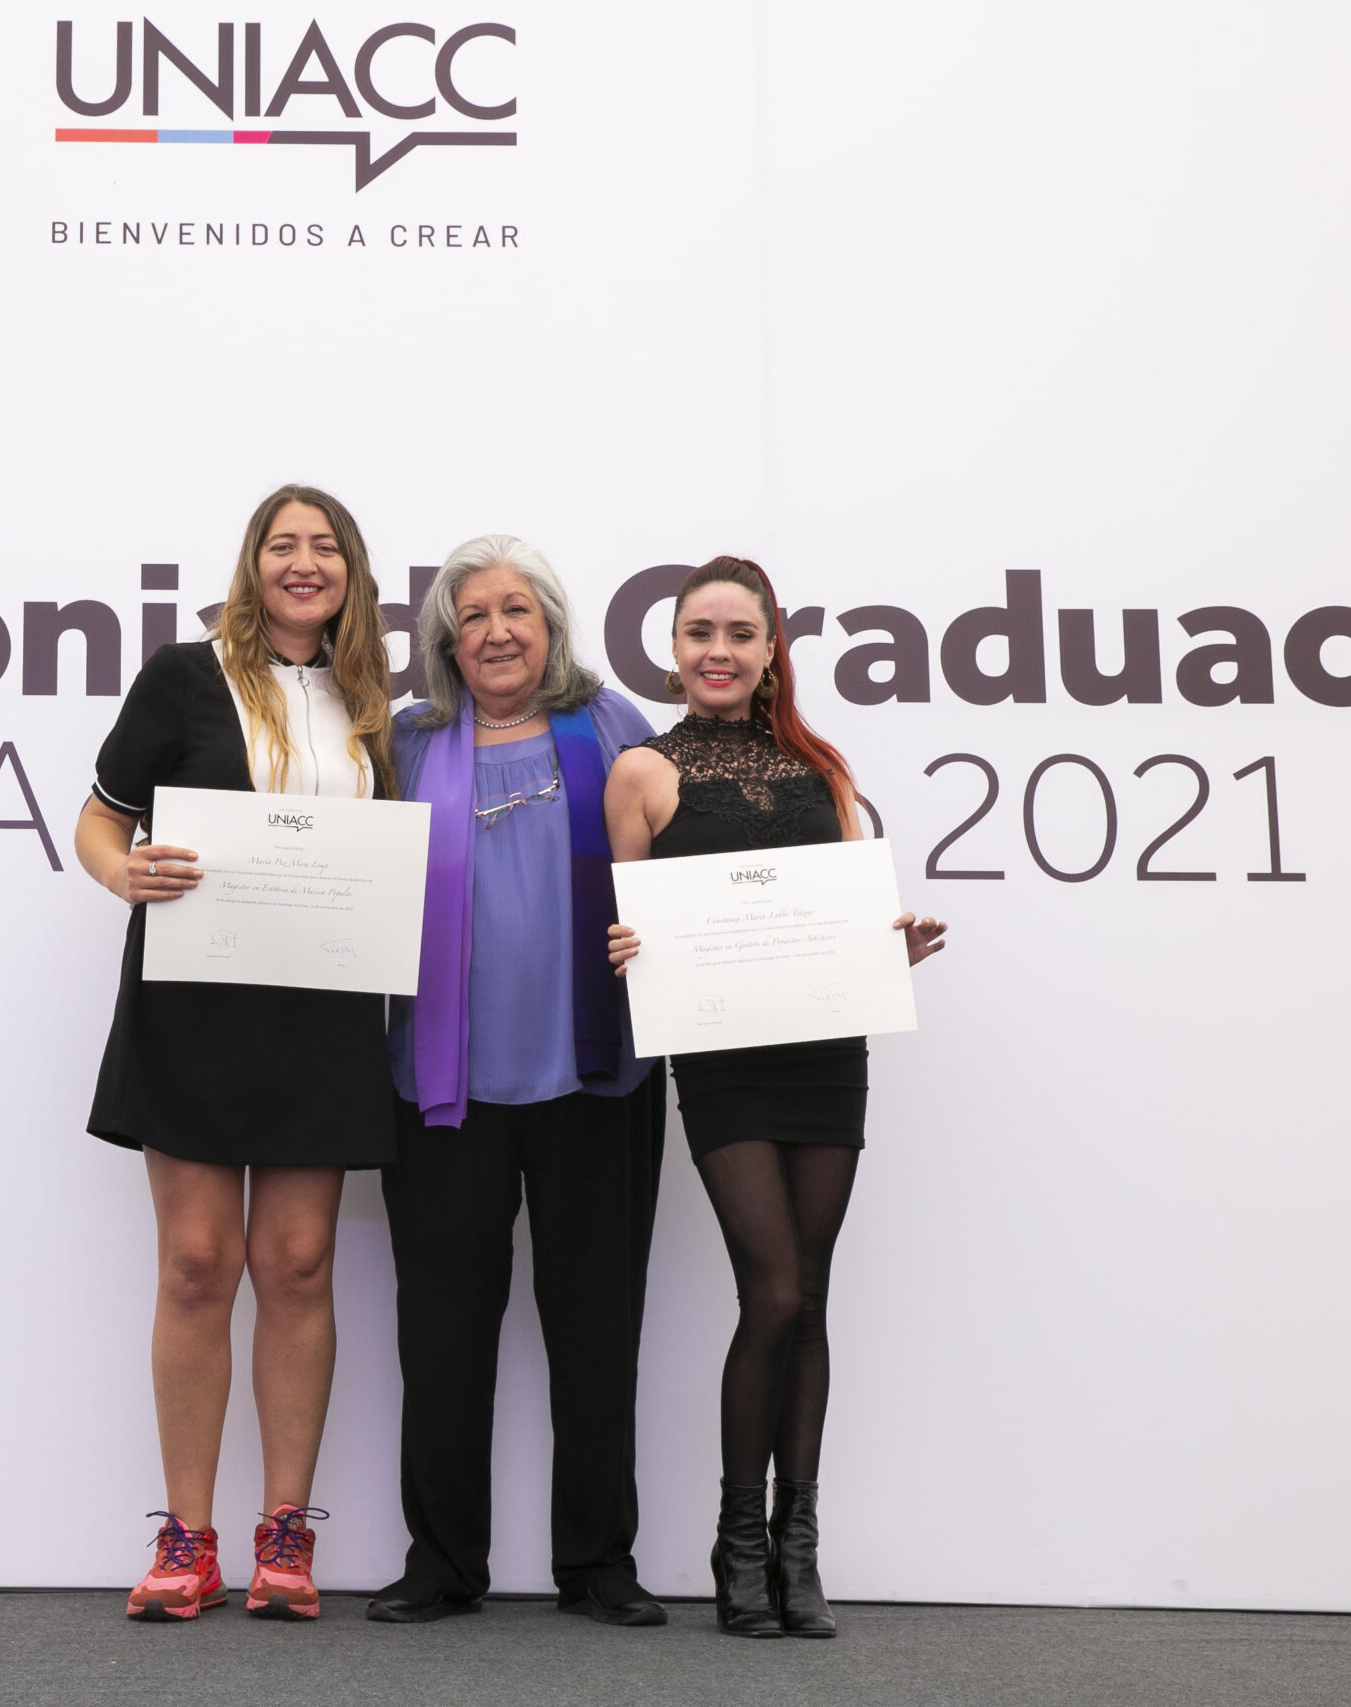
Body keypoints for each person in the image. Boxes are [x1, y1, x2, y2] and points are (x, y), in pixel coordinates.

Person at [605, 556, 947, 1639]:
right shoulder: (640, 773)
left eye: (739, 634)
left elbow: (852, 920)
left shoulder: (823, 768)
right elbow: (628, 928)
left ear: (769, 652)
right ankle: (739, 1540)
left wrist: (895, 948)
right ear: (673, 650)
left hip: (825, 1051)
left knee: (812, 1294)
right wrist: (623, 948)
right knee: (777, 1291)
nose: (718, 651)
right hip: (720, 1060)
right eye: (699, 632)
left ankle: (799, 1547)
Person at [76, 484, 400, 1624]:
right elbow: (100, 818)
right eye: (283, 545)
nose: (304, 563)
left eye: (326, 547)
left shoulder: (377, 699)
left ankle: (284, 1537)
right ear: (252, 562)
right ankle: (186, 1539)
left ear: (352, 571)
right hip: (195, 1003)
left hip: (323, 1012)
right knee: (196, 1265)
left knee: (299, 1265)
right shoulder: (183, 674)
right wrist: (123, 872)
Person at [364, 536, 670, 1628]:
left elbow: (700, 865)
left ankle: (599, 1563)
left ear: (551, 626)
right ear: (446, 641)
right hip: (442, 1089)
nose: (495, 632)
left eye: (516, 611)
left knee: (598, 1330)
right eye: (473, 616)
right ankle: (442, 1562)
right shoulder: (403, 741)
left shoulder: (616, 725)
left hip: (599, 1076)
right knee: (441, 1336)